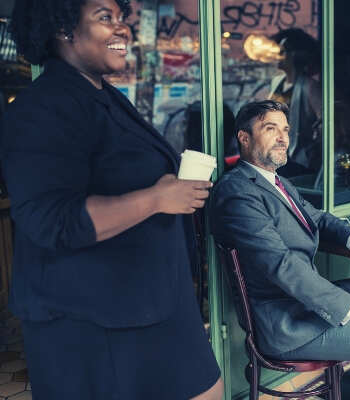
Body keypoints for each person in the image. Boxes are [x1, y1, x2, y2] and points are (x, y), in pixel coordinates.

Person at [0, 1, 222, 399]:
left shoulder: (105, 95)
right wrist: (156, 198)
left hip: (149, 301)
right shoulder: (43, 106)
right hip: (94, 320)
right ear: (63, 28)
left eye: (122, 19)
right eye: (106, 18)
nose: (123, 29)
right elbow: (53, 219)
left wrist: (171, 189)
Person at [210, 100, 350, 400]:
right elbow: (281, 265)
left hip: (305, 305)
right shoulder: (237, 192)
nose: (283, 137)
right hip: (287, 322)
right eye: (270, 128)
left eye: (285, 129)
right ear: (244, 138)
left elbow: (320, 218)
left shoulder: (277, 183)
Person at [268, 28, 322, 174]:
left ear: (295, 56)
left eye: (283, 51)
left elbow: (324, 123)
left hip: (298, 160)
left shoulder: (310, 86)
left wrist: (312, 147)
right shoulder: (277, 82)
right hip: (276, 156)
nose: (278, 55)